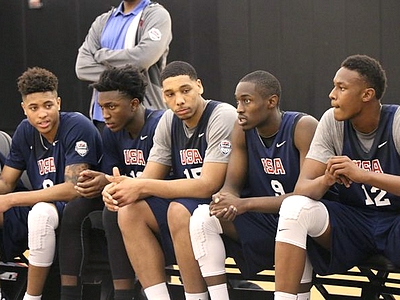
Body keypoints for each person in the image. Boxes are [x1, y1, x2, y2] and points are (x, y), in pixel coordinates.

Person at [102, 61, 237, 300]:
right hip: (189, 204)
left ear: (200, 86)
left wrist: (140, 185)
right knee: (129, 210)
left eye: (186, 90)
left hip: (229, 206)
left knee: (178, 210)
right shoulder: (167, 121)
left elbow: (209, 184)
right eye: (170, 94)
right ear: (163, 97)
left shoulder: (222, 115)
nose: (179, 100)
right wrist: (118, 189)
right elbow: (149, 177)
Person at [274, 54, 400, 300]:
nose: (332, 94)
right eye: (334, 86)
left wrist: (364, 175)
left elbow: (362, 175)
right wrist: (326, 179)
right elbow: (303, 188)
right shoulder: (331, 122)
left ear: (367, 95)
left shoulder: (396, 121)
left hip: (395, 220)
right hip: (355, 222)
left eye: (342, 88)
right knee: (295, 207)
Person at [189, 70, 318, 300]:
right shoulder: (241, 130)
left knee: (295, 213)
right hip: (265, 219)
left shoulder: (303, 126)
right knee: (202, 217)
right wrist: (224, 199)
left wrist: (243, 204)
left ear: (271, 102)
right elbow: (232, 185)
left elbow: (303, 196)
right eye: (237, 100)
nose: (239, 108)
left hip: (306, 223)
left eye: (246, 100)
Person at [60, 64, 165, 300]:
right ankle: (68, 294)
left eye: (112, 106)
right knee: (76, 207)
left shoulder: (159, 124)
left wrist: (110, 183)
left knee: (114, 210)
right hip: (128, 195)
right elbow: (111, 175)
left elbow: (164, 180)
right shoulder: (111, 131)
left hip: (160, 199)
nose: (105, 114)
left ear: (135, 104)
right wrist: (100, 182)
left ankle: (124, 294)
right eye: (101, 107)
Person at [0, 67, 102, 300]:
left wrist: (11, 199)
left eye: (48, 105)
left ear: (58, 102)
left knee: (41, 213)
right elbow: (6, 181)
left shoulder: (77, 125)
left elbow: (73, 188)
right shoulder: (25, 131)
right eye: (34, 108)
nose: (42, 114)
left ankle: (32, 297)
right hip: (39, 201)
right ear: (24, 109)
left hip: (76, 207)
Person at [76, 0, 172, 132]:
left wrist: (101, 55)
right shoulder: (103, 21)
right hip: (103, 119)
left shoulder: (156, 15)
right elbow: (82, 67)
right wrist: (123, 77)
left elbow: (142, 58)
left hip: (143, 117)